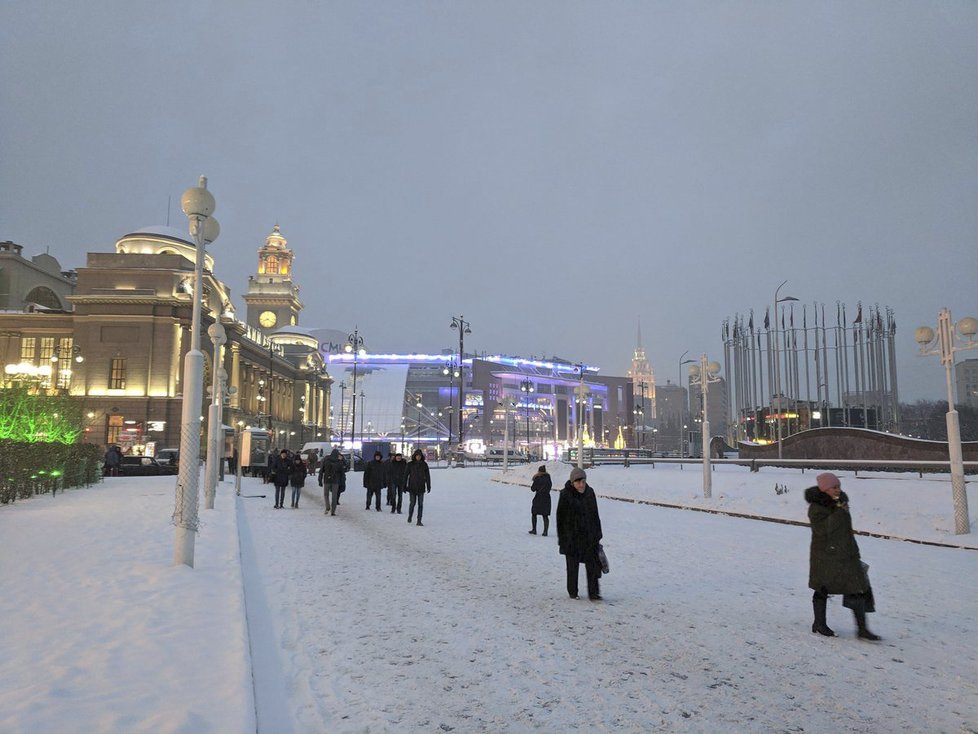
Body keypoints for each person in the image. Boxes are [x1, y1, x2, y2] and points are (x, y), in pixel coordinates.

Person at [805, 472, 880, 641]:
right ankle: (819, 624)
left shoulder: (840, 502)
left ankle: (862, 629)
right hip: (825, 555)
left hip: (846, 554)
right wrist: (839, 513)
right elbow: (822, 530)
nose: (838, 490)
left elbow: (845, 531)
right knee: (822, 588)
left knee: (858, 588)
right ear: (824, 489)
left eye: (839, 487)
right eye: (834, 487)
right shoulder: (816, 507)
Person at [556, 467, 603, 600]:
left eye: (583, 481)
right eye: (578, 482)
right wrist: (563, 539)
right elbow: (560, 518)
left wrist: (598, 534)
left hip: (589, 537)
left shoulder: (589, 493)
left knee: (593, 566)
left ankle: (594, 593)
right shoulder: (565, 494)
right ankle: (573, 591)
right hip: (572, 538)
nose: (581, 485)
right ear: (572, 482)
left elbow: (595, 515)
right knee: (572, 567)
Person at [405, 449, 431, 526]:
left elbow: (427, 476)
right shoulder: (410, 464)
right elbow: (406, 475)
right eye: (417, 456)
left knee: (420, 504)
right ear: (415, 456)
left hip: (421, 487)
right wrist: (404, 485)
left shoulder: (424, 464)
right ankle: (410, 516)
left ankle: (419, 520)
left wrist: (428, 485)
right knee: (412, 503)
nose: (418, 457)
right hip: (412, 487)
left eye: (419, 456)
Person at [318, 448, 346, 516]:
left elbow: (321, 470)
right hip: (335, 480)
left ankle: (327, 506)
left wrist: (320, 480)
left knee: (326, 494)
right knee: (334, 496)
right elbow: (342, 473)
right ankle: (333, 511)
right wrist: (343, 482)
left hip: (327, 480)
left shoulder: (326, 460)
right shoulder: (339, 462)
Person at [529, 465, 552, 536]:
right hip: (546, 498)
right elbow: (550, 487)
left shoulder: (537, 478)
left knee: (534, 513)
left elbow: (532, 489)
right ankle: (545, 532)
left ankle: (534, 529)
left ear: (539, 471)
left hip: (538, 498)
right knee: (545, 515)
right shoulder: (548, 478)